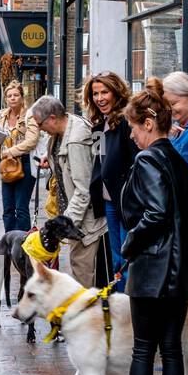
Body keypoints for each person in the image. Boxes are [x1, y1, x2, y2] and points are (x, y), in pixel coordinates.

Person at [109, 84, 188, 375]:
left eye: (134, 126)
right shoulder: (177, 160)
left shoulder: (149, 160)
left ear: (149, 123)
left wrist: (129, 245)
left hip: (154, 269)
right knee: (172, 349)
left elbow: (156, 213)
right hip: (181, 272)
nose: (131, 134)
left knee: (144, 350)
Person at [30, 95, 110, 289]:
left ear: (52, 119)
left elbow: (83, 190)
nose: (40, 129)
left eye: (40, 124)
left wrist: (64, 225)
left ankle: (85, 316)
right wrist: (51, 160)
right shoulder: (64, 130)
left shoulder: (75, 140)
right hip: (75, 217)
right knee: (79, 270)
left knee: (81, 275)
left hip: (84, 222)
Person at [82, 71, 134, 287]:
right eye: (95, 93)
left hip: (125, 200)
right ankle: (120, 299)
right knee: (116, 257)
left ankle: (128, 304)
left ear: (116, 92)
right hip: (108, 201)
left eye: (105, 92)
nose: (100, 98)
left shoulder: (126, 122)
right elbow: (98, 160)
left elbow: (133, 161)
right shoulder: (98, 125)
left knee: (126, 256)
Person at [0, 81, 40, 233]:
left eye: (16, 95)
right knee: (8, 208)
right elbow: (0, 140)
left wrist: (12, 151)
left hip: (24, 163)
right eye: (9, 96)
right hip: (7, 164)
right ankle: (9, 242)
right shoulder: (2, 116)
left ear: (22, 97)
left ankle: (22, 246)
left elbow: (32, 141)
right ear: (5, 99)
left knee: (21, 207)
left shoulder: (30, 116)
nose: (12, 98)